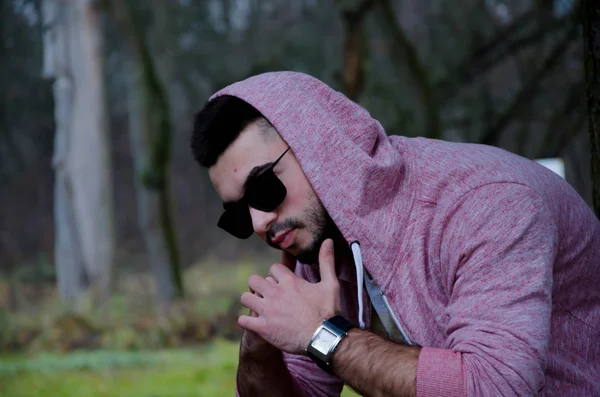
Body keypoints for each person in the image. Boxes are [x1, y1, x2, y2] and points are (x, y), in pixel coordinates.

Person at [190, 71, 600, 397]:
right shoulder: (318, 240)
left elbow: (494, 387)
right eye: (238, 216)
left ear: (320, 148)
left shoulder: (486, 204)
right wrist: (260, 351)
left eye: (264, 187)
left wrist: (323, 336)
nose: (260, 221)